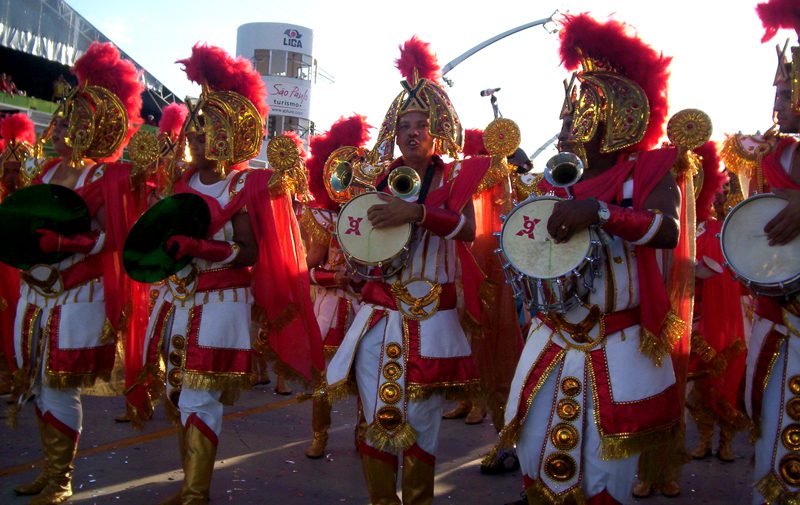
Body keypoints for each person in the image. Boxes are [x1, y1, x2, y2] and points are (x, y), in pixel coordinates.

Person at [496, 14, 691, 504]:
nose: (563, 128)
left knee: (608, 480)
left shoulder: (650, 170)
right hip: (552, 340)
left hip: (620, 344)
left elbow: (667, 231)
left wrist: (601, 213)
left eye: (574, 116)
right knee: (539, 459)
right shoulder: (554, 183)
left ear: (611, 119)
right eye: (564, 118)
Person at [124, 43, 323, 505]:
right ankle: (192, 484)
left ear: (228, 134)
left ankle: (196, 493)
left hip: (220, 304)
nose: (194, 137)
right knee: (178, 395)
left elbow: (250, 252)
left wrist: (200, 247)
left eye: (205, 129)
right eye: (195, 128)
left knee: (199, 399)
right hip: (178, 301)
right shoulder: (180, 183)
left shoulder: (244, 185)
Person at [324, 36, 490, 504]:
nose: (411, 133)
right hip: (378, 318)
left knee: (421, 427)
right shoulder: (377, 181)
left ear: (437, 131)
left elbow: (468, 232)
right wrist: (356, 261)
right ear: (393, 135)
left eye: (421, 125)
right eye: (404, 126)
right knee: (377, 420)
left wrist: (416, 214)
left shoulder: (457, 178)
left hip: (434, 321)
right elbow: (361, 242)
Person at [7, 41, 147, 505]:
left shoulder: (107, 179)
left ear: (93, 126)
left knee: (59, 387)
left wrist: (63, 244)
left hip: (77, 296)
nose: (60, 124)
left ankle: (61, 482)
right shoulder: (45, 170)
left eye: (70, 119)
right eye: (63, 117)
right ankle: (48, 475)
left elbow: (113, 238)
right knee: (39, 387)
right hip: (36, 291)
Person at [722, 2, 800, 503]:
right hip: (780, 327)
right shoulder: (773, 156)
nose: (778, 98)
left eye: (786, 84)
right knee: (774, 450)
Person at [299, 114, 371, 459]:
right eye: (343, 174)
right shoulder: (321, 219)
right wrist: (333, 278)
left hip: (362, 307)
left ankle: (363, 433)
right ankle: (319, 436)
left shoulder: (372, 217)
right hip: (328, 309)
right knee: (323, 380)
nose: (349, 182)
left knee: (366, 377)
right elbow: (306, 269)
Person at [685, 142, 748, 463]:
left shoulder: (735, 231)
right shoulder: (696, 229)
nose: (722, 199)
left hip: (730, 318)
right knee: (700, 384)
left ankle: (725, 443)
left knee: (729, 381)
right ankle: (705, 440)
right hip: (699, 318)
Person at [0, 113, 33, 396]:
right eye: (6, 171)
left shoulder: (34, 200)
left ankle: (21, 375)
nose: (11, 177)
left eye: (16, 170)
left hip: (23, 271)